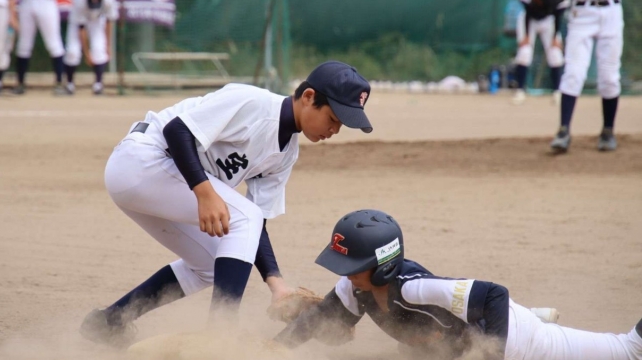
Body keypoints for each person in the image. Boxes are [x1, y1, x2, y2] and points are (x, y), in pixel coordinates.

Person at [79, 61, 373, 346]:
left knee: (210, 263)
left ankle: (110, 321)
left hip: (157, 179)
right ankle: (220, 332)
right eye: (333, 118)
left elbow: (257, 224)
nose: (334, 130)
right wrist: (204, 192)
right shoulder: (254, 104)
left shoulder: (286, 154)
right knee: (244, 217)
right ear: (308, 97)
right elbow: (176, 131)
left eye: (341, 125)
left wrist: (277, 285)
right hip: (142, 160)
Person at [274, 209, 642, 360]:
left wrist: (490, 355)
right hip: (457, 341)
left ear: (383, 267)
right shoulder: (356, 288)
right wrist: (271, 349)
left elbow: (494, 295)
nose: (346, 273)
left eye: (353, 266)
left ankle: (533, 318)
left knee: (628, 351)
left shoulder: (414, 288)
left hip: (522, 343)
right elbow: (317, 320)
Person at [550, 0, 641, 152]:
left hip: (610, 13)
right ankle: (563, 131)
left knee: (609, 76)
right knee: (573, 73)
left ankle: (608, 131)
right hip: (580, 14)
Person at [511, 0, 567, 106]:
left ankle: (558, 92)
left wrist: (555, 37)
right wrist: (526, 36)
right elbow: (528, 11)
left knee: (555, 54)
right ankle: (520, 91)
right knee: (524, 53)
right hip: (530, 20)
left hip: (549, 21)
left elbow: (558, 14)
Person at [64, 0, 118, 95]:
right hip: (77, 22)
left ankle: (98, 85)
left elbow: (109, 22)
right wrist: (87, 54)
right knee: (72, 52)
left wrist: (108, 45)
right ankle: (70, 85)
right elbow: (81, 29)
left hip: (97, 21)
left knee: (99, 49)